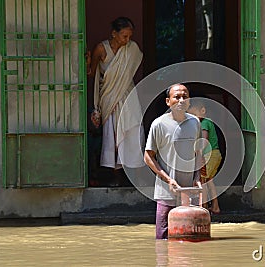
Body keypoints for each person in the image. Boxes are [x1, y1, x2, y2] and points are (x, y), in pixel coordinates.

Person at [87, 17, 145, 179]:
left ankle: (133, 172)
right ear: (114, 33)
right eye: (124, 36)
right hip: (108, 96)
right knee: (112, 134)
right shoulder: (101, 49)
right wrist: (88, 61)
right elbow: (91, 73)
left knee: (133, 130)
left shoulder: (132, 48)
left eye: (129, 36)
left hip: (128, 95)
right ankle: (114, 174)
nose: (127, 40)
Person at [144, 84, 202, 239]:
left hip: (189, 191)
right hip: (166, 191)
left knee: (191, 237)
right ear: (168, 102)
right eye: (177, 97)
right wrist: (168, 179)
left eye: (185, 96)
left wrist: (197, 178)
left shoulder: (195, 122)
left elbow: (198, 153)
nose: (181, 100)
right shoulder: (159, 124)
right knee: (162, 237)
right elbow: (148, 156)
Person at [187, 99, 222, 214]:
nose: (191, 118)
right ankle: (214, 206)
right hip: (215, 154)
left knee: (203, 181)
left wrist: (200, 156)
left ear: (203, 111)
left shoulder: (204, 123)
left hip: (209, 155)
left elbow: (204, 140)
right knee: (209, 181)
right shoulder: (207, 122)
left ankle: (204, 207)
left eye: (193, 115)